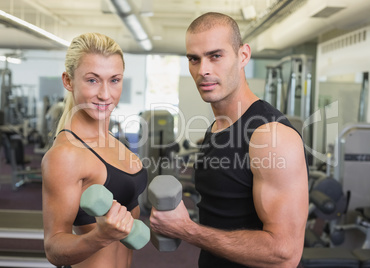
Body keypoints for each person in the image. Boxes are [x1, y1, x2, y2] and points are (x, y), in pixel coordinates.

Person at [149, 12, 309, 267]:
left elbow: (284, 253)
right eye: (194, 59)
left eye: (215, 56)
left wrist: (187, 230)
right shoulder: (218, 127)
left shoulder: (270, 136)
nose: (203, 70)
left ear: (243, 55)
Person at [41, 33, 147, 268]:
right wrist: (101, 236)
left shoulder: (117, 145)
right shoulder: (66, 155)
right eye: (92, 80)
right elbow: (53, 249)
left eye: (114, 80)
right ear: (68, 81)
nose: (105, 94)